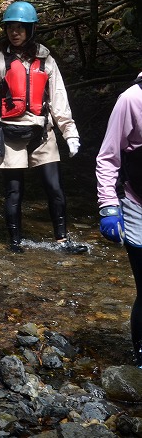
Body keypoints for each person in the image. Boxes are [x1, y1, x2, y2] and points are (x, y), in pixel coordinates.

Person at [0, 0, 85, 254]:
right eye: (10, 27)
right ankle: (15, 243)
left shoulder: (46, 60)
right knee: (13, 192)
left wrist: (70, 133)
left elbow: (59, 99)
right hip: (8, 134)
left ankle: (61, 240)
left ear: (31, 29)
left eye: (20, 27)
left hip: (42, 133)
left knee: (55, 188)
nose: (14, 32)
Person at [96, 73, 142, 365]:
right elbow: (108, 157)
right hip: (138, 205)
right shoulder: (130, 100)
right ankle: (141, 356)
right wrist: (108, 205)